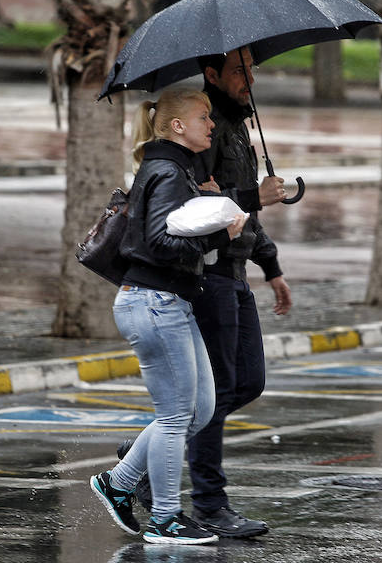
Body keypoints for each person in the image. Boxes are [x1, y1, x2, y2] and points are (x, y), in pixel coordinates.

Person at [90, 87, 247, 546]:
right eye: (204, 117)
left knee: (199, 410)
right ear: (178, 126)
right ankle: (165, 517)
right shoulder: (166, 170)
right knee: (178, 414)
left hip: (165, 301)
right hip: (154, 302)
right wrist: (221, 233)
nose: (212, 124)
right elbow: (158, 244)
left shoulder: (173, 169)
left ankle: (118, 483)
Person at [187, 46, 290, 538]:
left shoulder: (237, 125)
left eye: (252, 69)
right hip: (209, 273)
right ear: (212, 74)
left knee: (248, 382)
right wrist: (252, 195)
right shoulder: (204, 126)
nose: (249, 78)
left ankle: (140, 459)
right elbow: (198, 208)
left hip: (237, 272)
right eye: (238, 70)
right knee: (220, 389)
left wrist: (270, 265)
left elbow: (239, 213)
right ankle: (209, 503)